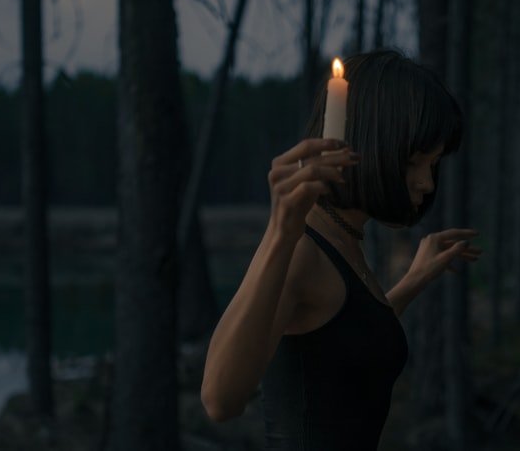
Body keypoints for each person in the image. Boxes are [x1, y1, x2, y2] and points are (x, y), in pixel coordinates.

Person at [201, 49, 481, 450]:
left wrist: (411, 282)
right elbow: (218, 399)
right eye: (415, 162)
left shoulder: (343, 238)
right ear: (371, 144)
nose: (427, 183)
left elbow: (343, 344)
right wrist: (280, 232)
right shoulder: (302, 250)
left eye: (433, 165)